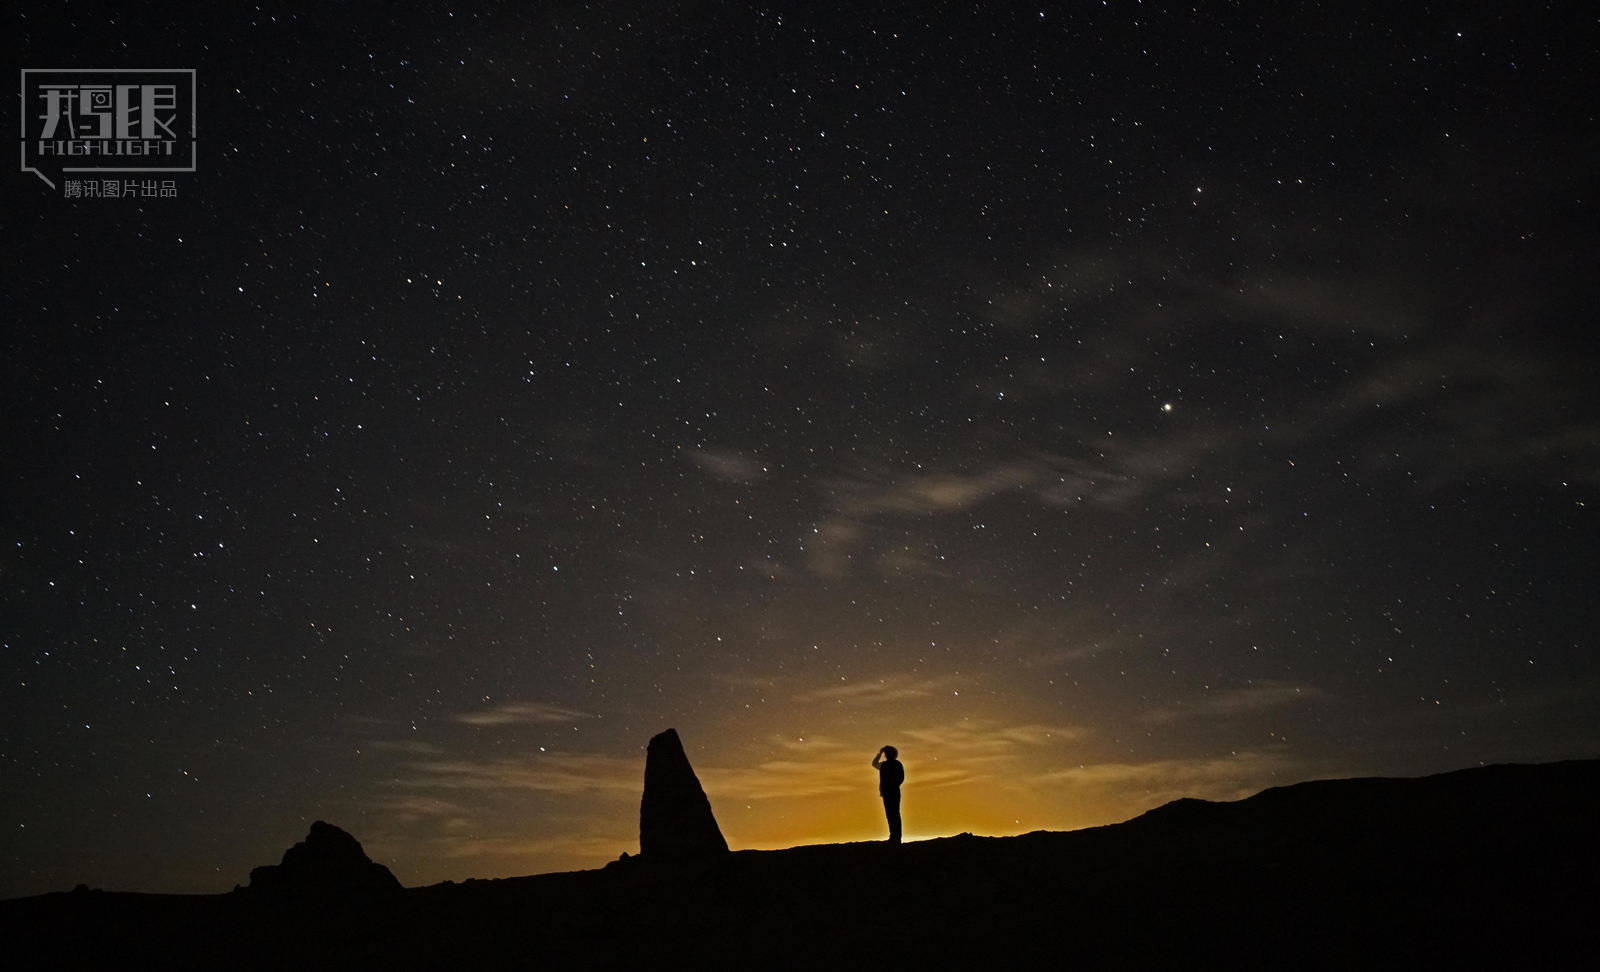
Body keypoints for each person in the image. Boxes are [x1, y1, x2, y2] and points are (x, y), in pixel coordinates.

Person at [872, 745, 904, 843]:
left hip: (893, 792)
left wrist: (893, 785)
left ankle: (897, 836)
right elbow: (874, 764)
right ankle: (893, 835)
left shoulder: (897, 764)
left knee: (895, 813)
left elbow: (901, 777)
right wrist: (879, 754)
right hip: (886, 792)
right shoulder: (884, 765)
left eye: (887, 752)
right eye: (886, 753)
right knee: (889, 814)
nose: (886, 754)